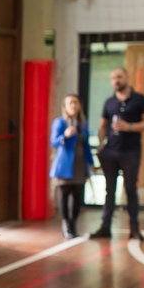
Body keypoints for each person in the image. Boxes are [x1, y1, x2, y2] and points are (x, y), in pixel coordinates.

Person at [89, 68, 144, 242]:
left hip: (130, 152)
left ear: (127, 78)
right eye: (112, 77)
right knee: (110, 190)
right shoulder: (109, 102)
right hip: (110, 152)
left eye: (119, 77)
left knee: (131, 190)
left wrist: (130, 127)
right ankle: (105, 227)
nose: (116, 80)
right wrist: (101, 145)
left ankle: (134, 228)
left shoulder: (139, 100)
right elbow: (103, 125)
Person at [49, 94, 91, 238]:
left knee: (77, 196)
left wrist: (90, 163)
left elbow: (87, 146)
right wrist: (65, 136)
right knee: (65, 195)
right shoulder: (60, 122)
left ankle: (74, 226)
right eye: (70, 103)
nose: (73, 105)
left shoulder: (83, 124)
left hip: (79, 165)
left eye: (75, 102)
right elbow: (53, 142)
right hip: (64, 165)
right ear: (65, 106)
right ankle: (65, 225)